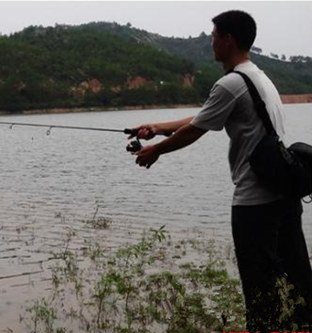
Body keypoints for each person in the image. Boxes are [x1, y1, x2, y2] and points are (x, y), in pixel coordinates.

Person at [130, 10, 312, 331]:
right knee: (297, 278)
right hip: (283, 196)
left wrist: (155, 150)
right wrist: (157, 127)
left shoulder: (230, 83)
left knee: (258, 286)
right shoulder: (257, 77)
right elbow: (204, 117)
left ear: (228, 40)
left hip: (255, 203)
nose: (210, 41)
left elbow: (194, 130)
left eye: (214, 35)